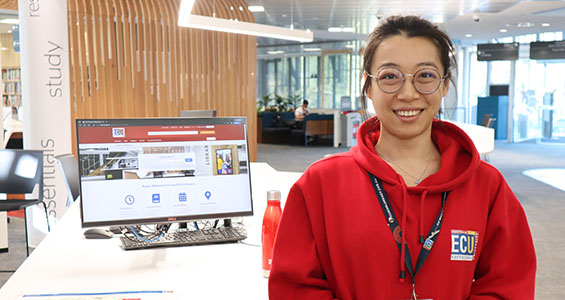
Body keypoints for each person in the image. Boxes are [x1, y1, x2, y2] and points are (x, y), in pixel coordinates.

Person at [268, 15, 536, 300]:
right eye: (390, 77)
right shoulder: (320, 184)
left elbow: (509, 286)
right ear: (368, 87)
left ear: (445, 85)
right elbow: (294, 289)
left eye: (426, 76)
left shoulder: (486, 186)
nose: (408, 94)